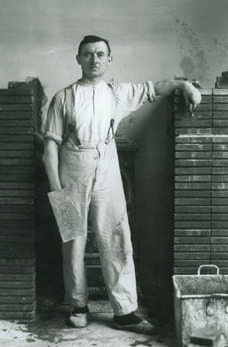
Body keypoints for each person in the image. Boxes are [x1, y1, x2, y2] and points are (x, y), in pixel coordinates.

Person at [43, 35, 201, 334]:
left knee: (115, 235)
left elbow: (155, 89)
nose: (94, 60)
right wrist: (56, 189)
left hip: (107, 166)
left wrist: (184, 85)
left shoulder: (117, 92)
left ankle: (125, 311)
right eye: (88, 54)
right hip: (71, 166)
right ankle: (78, 306)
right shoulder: (63, 97)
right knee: (72, 239)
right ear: (78, 59)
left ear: (109, 59)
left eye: (101, 54)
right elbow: (50, 144)